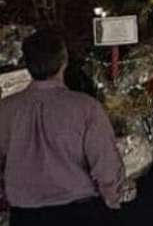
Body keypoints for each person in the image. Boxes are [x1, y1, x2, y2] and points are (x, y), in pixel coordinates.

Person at [0, 31, 125, 225]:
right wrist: (112, 199)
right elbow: (105, 162)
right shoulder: (86, 107)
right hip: (78, 212)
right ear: (64, 62)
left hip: (25, 215)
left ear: (27, 64)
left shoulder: (6, 109)